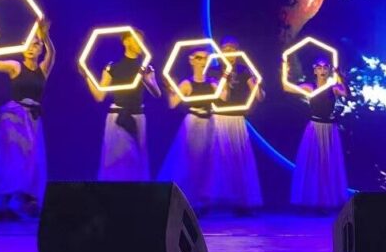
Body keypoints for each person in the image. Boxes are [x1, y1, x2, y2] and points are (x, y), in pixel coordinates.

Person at [0, 20, 55, 219]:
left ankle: (19, 200)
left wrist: (45, 36)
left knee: (30, 160)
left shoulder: (43, 69)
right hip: (14, 118)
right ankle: (5, 200)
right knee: (13, 158)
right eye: (29, 44)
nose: (32, 47)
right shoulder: (15, 66)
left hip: (33, 120)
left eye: (36, 44)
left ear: (40, 49)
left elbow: (52, 53)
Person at [83, 31, 161, 181]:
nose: (141, 44)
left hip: (137, 117)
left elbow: (157, 93)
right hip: (117, 118)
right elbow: (99, 96)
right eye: (136, 39)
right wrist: (86, 75)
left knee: (137, 162)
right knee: (114, 161)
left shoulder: (145, 68)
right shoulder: (112, 68)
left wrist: (148, 80)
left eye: (142, 40)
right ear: (126, 42)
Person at [284, 55, 348, 211]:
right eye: (319, 67)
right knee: (313, 163)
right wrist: (285, 68)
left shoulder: (333, 87)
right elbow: (287, 87)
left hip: (329, 128)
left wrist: (339, 75)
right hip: (315, 127)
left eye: (325, 67)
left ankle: (327, 201)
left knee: (328, 164)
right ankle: (311, 201)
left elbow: (345, 93)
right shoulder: (310, 87)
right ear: (315, 70)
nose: (322, 70)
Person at [206, 37, 263, 212]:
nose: (229, 52)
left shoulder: (243, 70)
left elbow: (259, 96)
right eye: (225, 49)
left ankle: (241, 202)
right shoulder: (214, 70)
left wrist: (257, 84)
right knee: (216, 160)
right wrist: (225, 76)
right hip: (218, 119)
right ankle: (211, 201)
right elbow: (220, 96)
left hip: (237, 119)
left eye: (232, 49)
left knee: (239, 159)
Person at [159, 47, 217, 208]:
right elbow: (173, 104)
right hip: (194, 124)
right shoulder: (186, 83)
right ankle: (190, 200)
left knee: (207, 162)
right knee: (191, 161)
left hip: (210, 123)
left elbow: (224, 98)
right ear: (191, 60)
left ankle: (202, 199)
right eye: (199, 58)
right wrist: (169, 89)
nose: (203, 61)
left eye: (205, 58)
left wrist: (226, 79)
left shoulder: (213, 83)